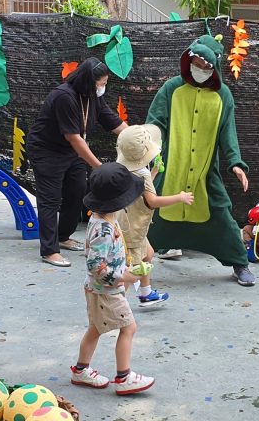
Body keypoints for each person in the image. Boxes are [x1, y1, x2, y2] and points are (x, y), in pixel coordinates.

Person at [146, 35, 256, 287]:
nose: (201, 69)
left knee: (220, 214)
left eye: (207, 66)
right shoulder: (171, 88)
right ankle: (130, 259)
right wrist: (150, 151)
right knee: (152, 216)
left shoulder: (222, 95)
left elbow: (228, 132)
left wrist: (236, 163)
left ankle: (240, 263)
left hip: (205, 172)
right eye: (197, 63)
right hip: (170, 168)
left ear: (215, 67)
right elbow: (155, 122)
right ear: (188, 60)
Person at [26, 57, 128, 268]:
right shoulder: (65, 97)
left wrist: (137, 137)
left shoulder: (92, 97)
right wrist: (100, 168)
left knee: (78, 190)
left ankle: (63, 236)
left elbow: (112, 121)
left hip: (70, 151)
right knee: (50, 199)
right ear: (89, 82)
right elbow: (74, 138)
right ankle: (49, 250)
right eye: (101, 83)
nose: (103, 87)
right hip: (47, 150)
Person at [69, 163, 155, 395]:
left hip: (101, 289)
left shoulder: (105, 218)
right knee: (129, 328)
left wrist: (126, 267)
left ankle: (80, 370)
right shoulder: (103, 230)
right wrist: (122, 275)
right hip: (105, 291)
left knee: (96, 328)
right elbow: (95, 265)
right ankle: (124, 377)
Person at [115, 124, 193, 307]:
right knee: (132, 268)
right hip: (133, 229)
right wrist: (180, 197)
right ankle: (117, 304)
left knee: (148, 254)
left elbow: (139, 189)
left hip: (124, 223)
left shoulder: (123, 168)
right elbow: (152, 201)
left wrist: (154, 172)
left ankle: (146, 293)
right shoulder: (142, 174)